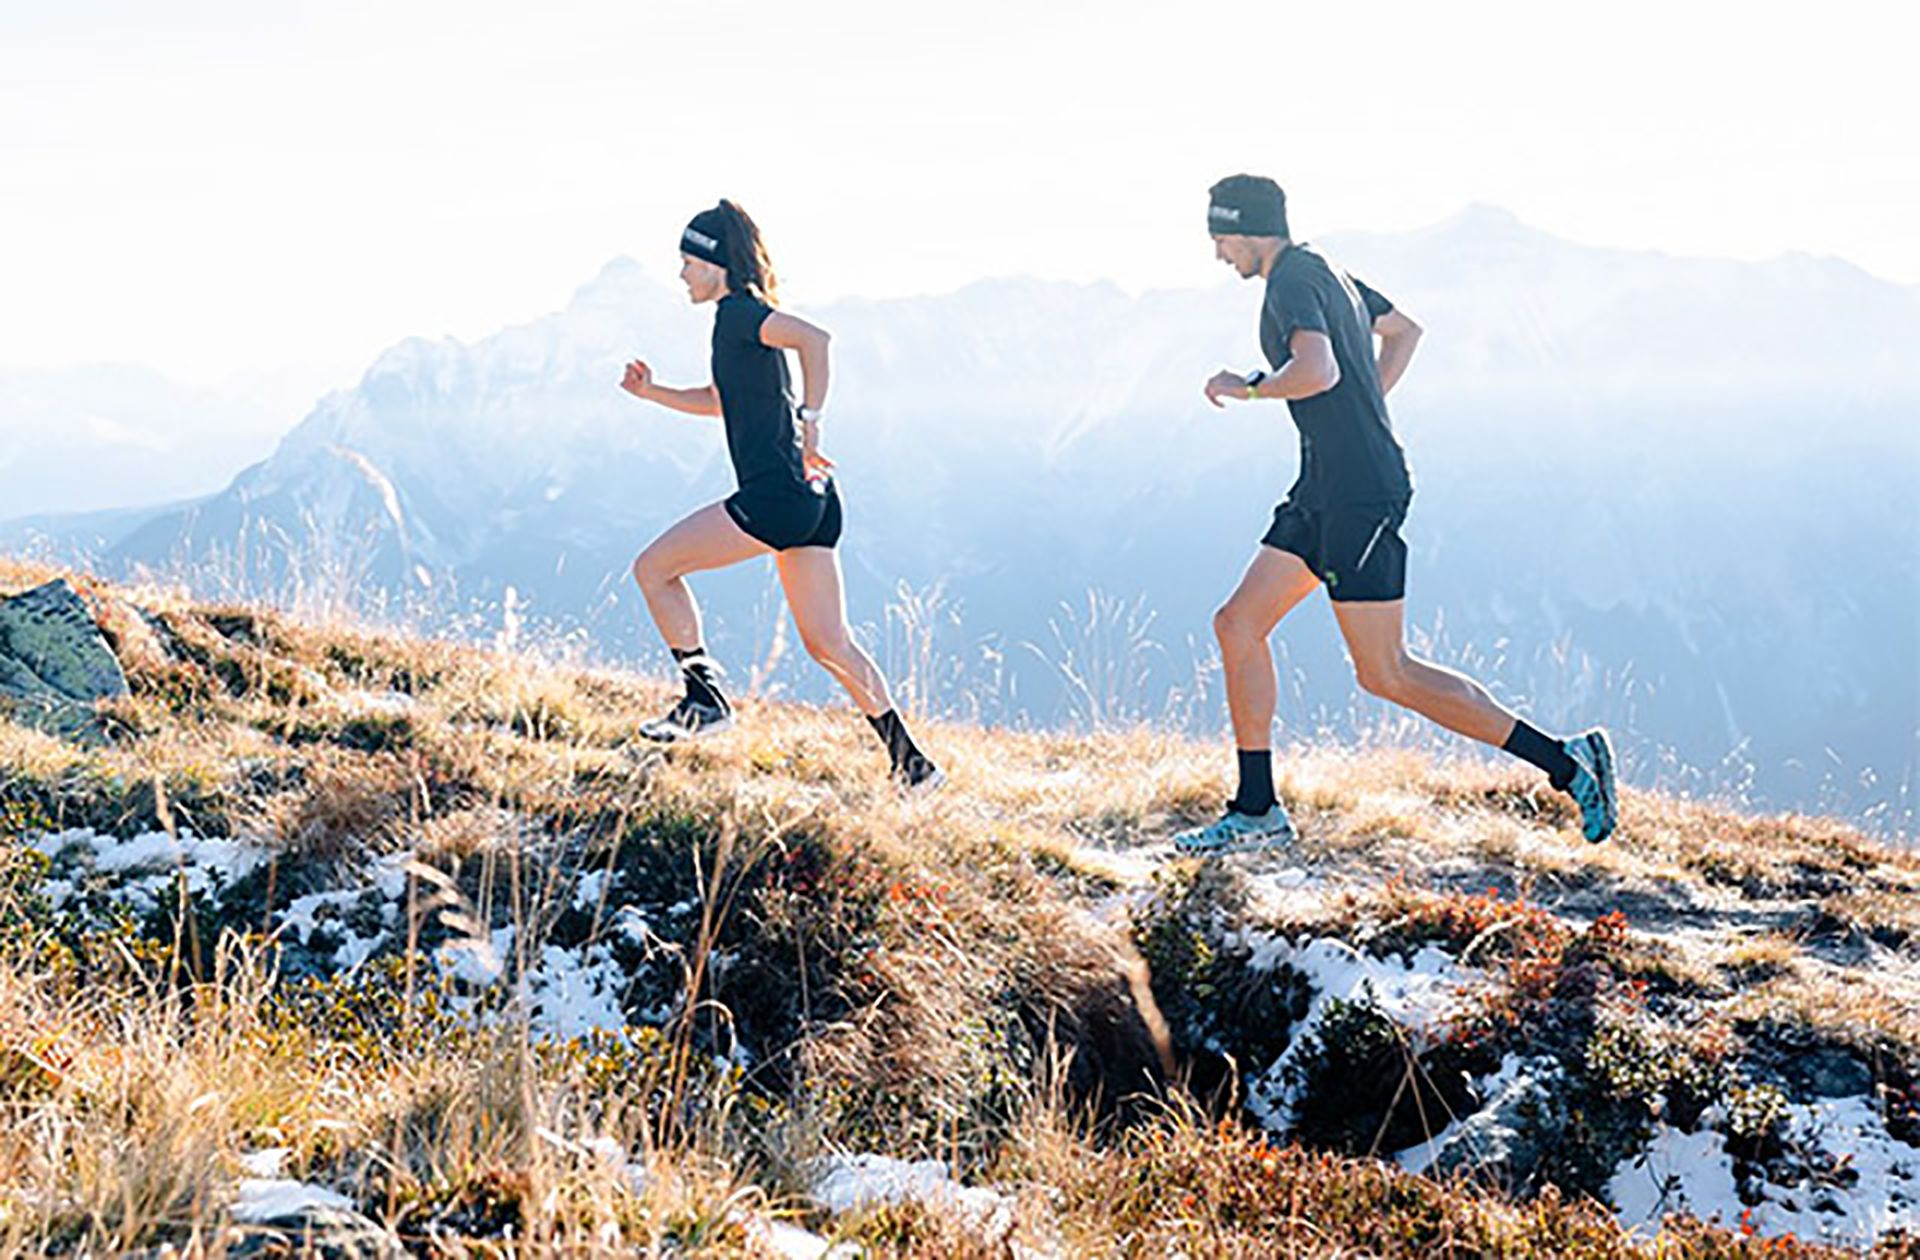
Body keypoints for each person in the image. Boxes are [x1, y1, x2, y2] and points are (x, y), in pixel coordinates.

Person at [1174, 174, 1616, 855]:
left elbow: (1316, 371)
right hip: (1324, 488)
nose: (1218, 254)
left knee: (1385, 673)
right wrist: (1364, 412)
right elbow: (1404, 332)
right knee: (1237, 625)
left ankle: (1567, 762)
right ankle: (1257, 809)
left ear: (1250, 229)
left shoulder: (1291, 281)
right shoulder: (1329, 271)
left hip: (1359, 496)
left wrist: (1251, 387)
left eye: (1221, 238)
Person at [619, 200, 943, 794]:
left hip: (776, 496)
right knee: (829, 643)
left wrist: (812, 421)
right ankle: (911, 764)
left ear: (715, 265)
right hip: (813, 500)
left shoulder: (740, 313)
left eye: (688, 262)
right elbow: (722, 400)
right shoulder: (734, 324)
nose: (682, 275)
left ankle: (704, 698)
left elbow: (816, 339)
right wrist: (653, 393)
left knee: (653, 569)